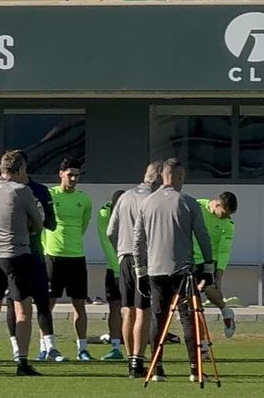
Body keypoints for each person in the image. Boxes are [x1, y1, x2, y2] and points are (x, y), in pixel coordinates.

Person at [134, 158, 214, 383]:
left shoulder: (147, 203)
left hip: (155, 270)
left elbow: (138, 239)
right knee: (189, 319)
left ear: (162, 176)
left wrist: (140, 270)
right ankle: (195, 369)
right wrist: (208, 267)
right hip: (182, 271)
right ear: (178, 176)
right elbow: (203, 237)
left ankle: (157, 368)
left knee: (157, 319)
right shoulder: (188, 202)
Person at [0, 149, 45, 377]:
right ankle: (22, 362)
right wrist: (26, 226)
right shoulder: (21, 191)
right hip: (16, 254)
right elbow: (38, 224)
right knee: (22, 309)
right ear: (20, 169)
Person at [108, 161, 162, 378]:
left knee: (127, 309)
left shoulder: (125, 196)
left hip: (124, 258)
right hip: (145, 260)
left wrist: (120, 251)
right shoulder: (153, 199)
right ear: (158, 178)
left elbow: (111, 231)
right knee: (143, 311)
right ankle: (138, 362)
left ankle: (131, 359)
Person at [43, 156, 95, 361]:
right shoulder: (49, 195)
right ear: (61, 174)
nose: (73, 178)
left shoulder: (84, 200)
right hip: (53, 257)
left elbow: (83, 225)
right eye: (70, 174)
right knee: (48, 304)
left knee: (79, 305)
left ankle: (82, 349)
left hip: (76, 258)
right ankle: (47, 347)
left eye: (77, 175)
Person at [23, 168, 60, 362]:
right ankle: (17, 350)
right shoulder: (0, 189)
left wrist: (38, 218)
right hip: (12, 254)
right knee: (16, 303)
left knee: (43, 301)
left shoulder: (39, 190)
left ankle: (50, 347)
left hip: (36, 254)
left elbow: (51, 223)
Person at [192, 190, 238, 342]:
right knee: (192, 303)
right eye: (224, 213)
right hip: (189, 258)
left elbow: (224, 251)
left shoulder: (228, 224)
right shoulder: (197, 206)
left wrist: (219, 275)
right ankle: (202, 343)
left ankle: (226, 311)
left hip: (208, 262)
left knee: (211, 293)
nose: (226, 217)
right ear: (217, 205)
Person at [96, 189, 126, 361]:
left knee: (134, 309)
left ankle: (135, 349)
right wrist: (117, 269)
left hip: (131, 268)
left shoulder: (132, 211)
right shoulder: (105, 213)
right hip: (115, 268)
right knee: (114, 307)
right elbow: (107, 241)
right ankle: (115, 347)